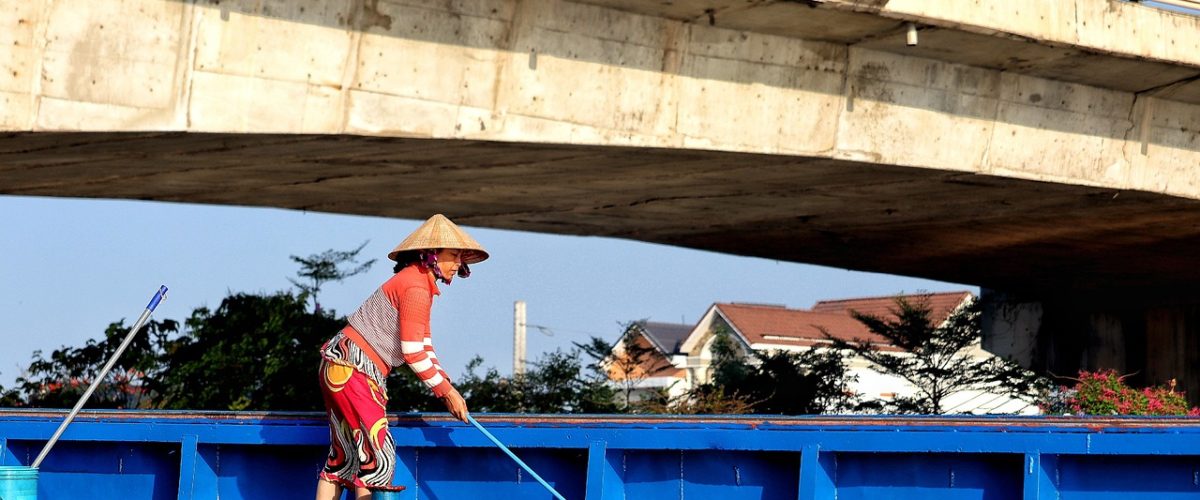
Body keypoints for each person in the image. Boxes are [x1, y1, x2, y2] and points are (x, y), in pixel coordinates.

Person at [314, 214, 487, 500]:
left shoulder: (416, 282)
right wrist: (446, 393)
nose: (458, 263)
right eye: (453, 255)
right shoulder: (416, 287)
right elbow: (412, 351)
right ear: (431, 255)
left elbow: (424, 344)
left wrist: (448, 386)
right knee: (379, 458)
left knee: (344, 458)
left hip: (339, 364)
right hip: (356, 368)